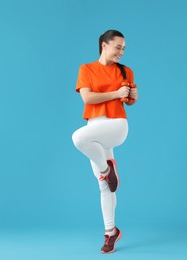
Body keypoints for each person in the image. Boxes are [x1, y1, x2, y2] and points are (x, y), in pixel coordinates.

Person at [72, 29, 138, 254]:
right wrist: (115, 93)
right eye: (118, 47)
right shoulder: (87, 69)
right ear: (104, 45)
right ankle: (111, 232)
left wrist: (132, 98)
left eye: (124, 48)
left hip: (117, 125)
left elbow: (128, 100)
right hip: (95, 126)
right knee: (105, 187)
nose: (121, 51)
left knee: (77, 138)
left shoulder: (126, 71)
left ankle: (106, 169)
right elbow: (88, 98)